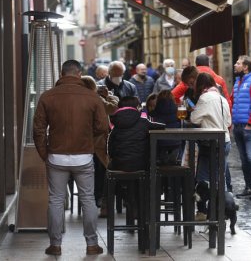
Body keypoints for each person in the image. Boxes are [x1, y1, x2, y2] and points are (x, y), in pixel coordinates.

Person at [33, 60, 108, 256]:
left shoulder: (47, 97)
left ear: (61, 73)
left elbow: (38, 129)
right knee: (88, 200)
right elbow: (102, 126)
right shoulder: (92, 97)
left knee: (56, 201)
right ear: (79, 73)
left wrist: (44, 153)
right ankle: (92, 244)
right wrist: (87, 137)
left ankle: (55, 244)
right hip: (83, 156)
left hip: (56, 157)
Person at [190, 73, 231, 220]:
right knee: (221, 178)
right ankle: (222, 210)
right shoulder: (222, 99)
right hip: (225, 142)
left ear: (200, 85)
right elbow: (228, 122)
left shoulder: (205, 98)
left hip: (210, 143)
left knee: (202, 177)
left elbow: (194, 118)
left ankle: (202, 212)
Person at [81, 76, 119, 209]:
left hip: (82, 142)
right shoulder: (95, 99)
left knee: (89, 172)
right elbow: (113, 108)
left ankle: (89, 197)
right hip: (96, 142)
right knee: (100, 170)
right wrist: (109, 95)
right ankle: (99, 198)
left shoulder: (78, 99)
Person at [231, 55, 251, 201]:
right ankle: (249, 187)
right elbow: (232, 102)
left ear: (245, 67)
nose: (235, 65)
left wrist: (250, 124)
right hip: (238, 126)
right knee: (244, 159)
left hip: (248, 127)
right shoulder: (238, 82)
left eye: (238, 63)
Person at [108, 96, 164, 172]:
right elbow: (162, 126)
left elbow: (110, 147)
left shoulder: (116, 125)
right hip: (140, 164)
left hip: (118, 164)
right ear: (137, 107)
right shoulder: (143, 122)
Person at [150, 90, 181, 165]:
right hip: (176, 142)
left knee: (161, 164)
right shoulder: (178, 112)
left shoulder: (154, 113)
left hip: (159, 143)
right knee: (174, 165)